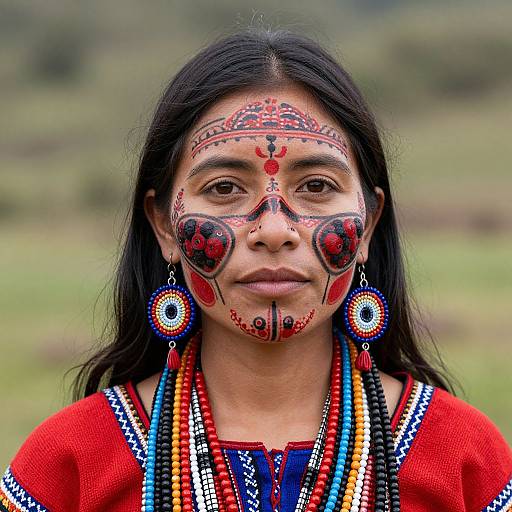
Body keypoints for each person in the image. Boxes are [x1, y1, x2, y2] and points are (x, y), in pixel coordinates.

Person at [1, 29, 510, 512]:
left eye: (315, 186)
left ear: (369, 223)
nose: (272, 229)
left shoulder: (466, 460)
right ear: (163, 226)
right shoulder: (68, 463)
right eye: (224, 188)